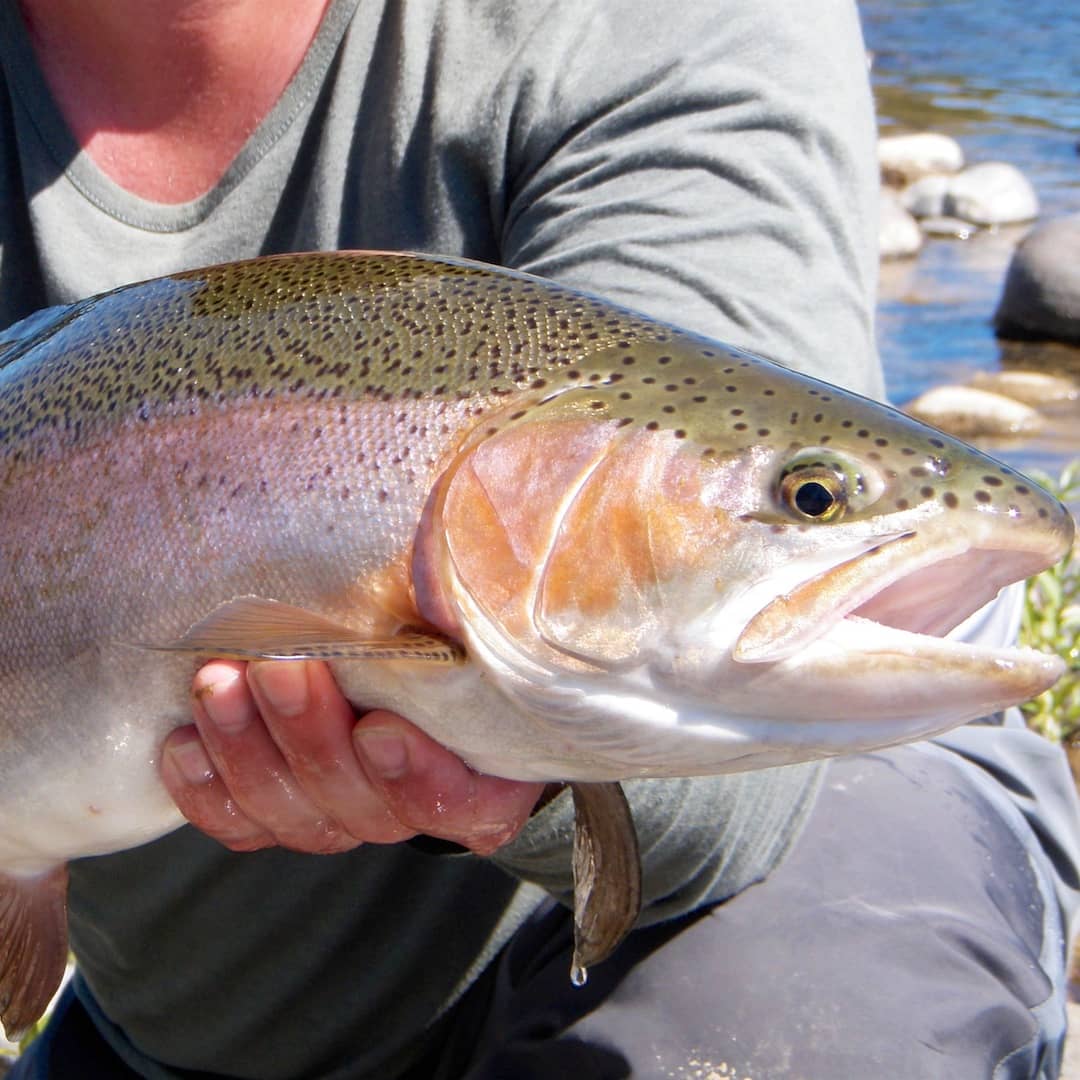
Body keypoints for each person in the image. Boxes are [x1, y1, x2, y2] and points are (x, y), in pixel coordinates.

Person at [1, 1, 1078, 1077]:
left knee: (813, 981)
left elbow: (734, 813)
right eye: (808, 500)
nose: (806, 506)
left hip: (812, 855)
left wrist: (473, 749)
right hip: (194, 1021)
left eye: (806, 500)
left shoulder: (645, 21)